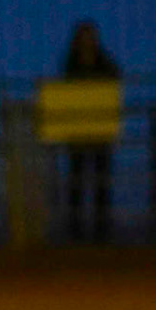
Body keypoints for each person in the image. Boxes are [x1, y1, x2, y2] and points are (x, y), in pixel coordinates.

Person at [61, 19, 120, 241]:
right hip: (78, 131)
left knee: (100, 180)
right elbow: (66, 88)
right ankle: (75, 228)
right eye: (85, 36)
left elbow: (115, 75)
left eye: (91, 36)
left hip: (99, 130)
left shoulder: (103, 61)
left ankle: (101, 227)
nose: (88, 40)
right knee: (77, 180)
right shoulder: (72, 62)